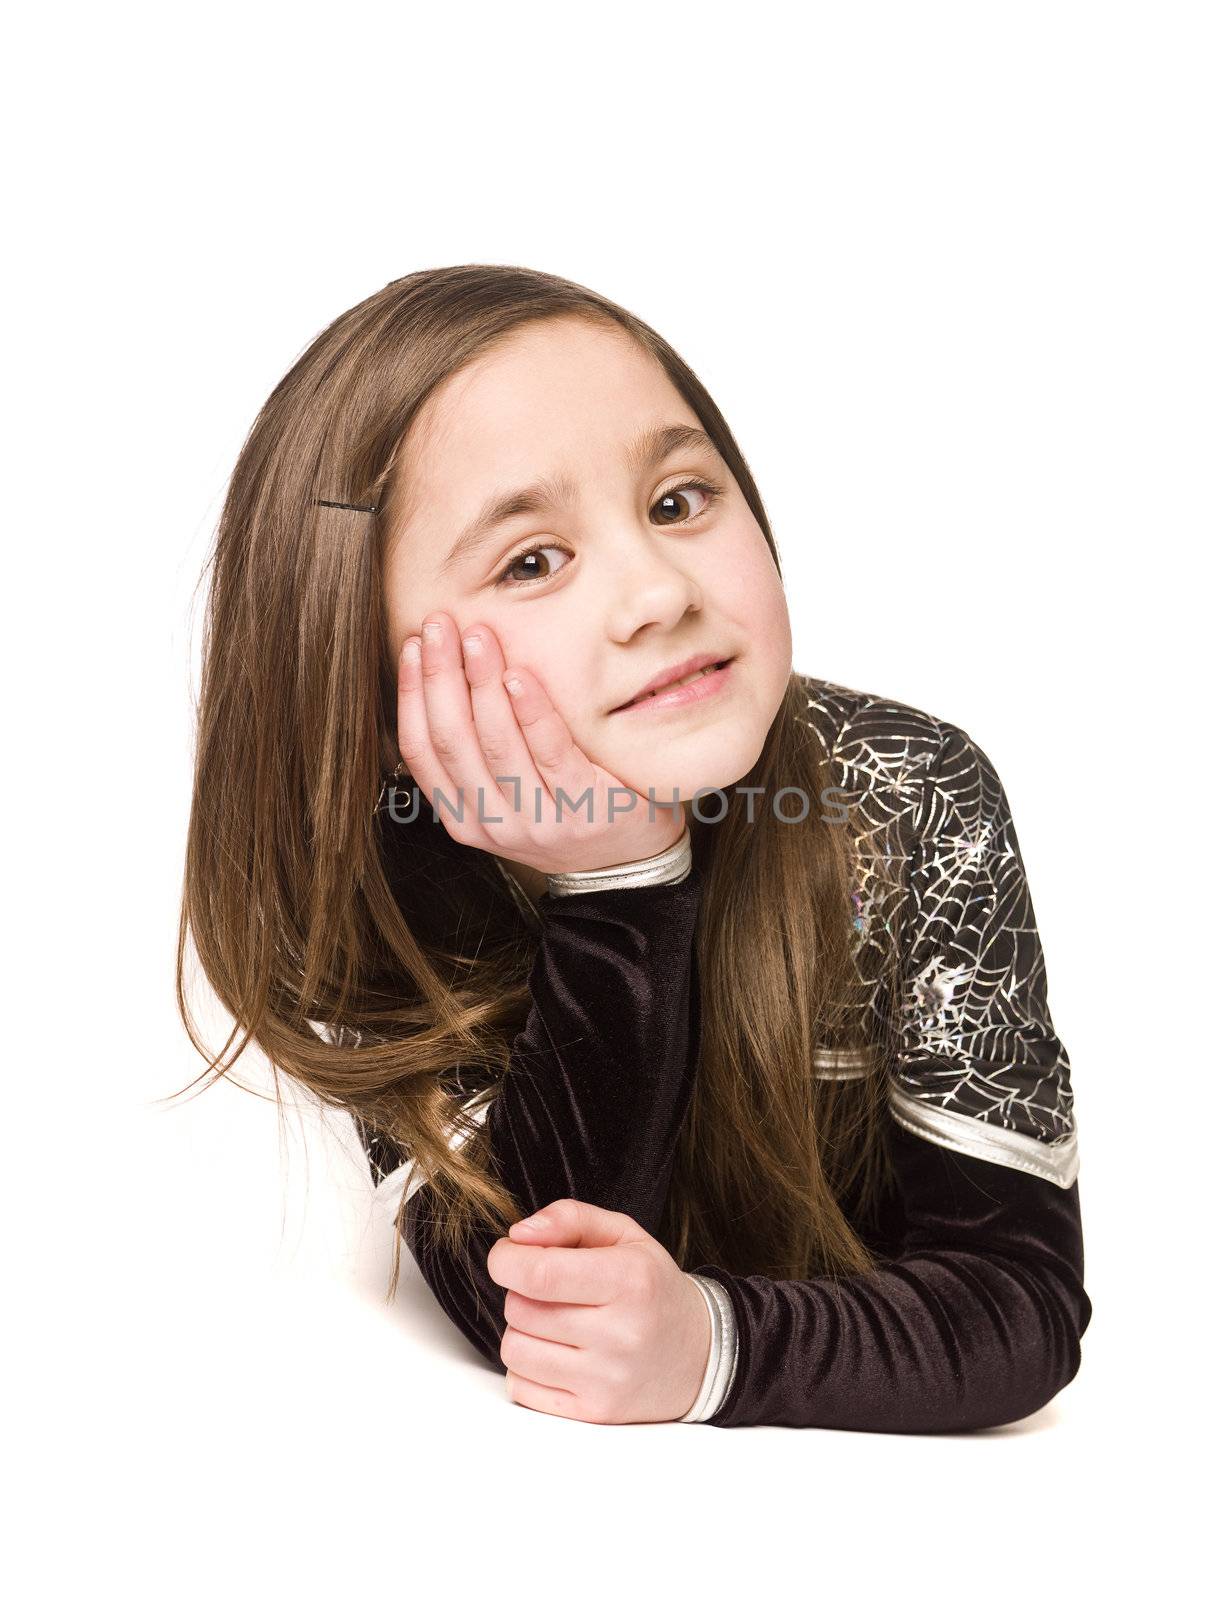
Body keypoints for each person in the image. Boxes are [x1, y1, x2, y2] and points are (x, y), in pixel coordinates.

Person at [177, 263, 1091, 1431]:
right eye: (530, 561)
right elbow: (544, 1305)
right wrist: (615, 875)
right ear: (366, 681)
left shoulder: (915, 795)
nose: (658, 590)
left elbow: (1019, 1304)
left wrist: (717, 1345)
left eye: (676, 502)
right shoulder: (382, 870)